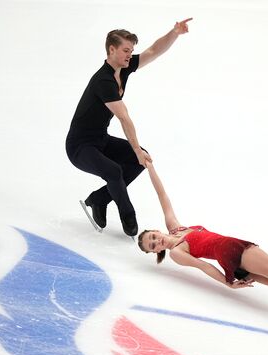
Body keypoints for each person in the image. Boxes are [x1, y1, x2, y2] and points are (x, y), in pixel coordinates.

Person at [137, 162, 268, 334]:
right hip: (230, 248)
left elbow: (162, 195)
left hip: (227, 255)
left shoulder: (176, 228)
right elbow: (203, 267)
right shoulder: (176, 252)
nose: (157, 242)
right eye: (153, 246)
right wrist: (227, 283)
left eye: (153, 237)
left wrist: (150, 168)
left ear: (157, 230)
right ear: (155, 252)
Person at [66, 18, 193, 236]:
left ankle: (99, 199)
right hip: (80, 147)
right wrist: (135, 148)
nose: (129, 54)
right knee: (116, 170)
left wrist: (174, 33)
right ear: (111, 49)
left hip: (100, 140)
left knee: (140, 159)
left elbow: (153, 51)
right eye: (126, 50)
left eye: (131, 50)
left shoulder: (123, 69)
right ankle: (128, 216)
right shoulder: (103, 81)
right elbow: (124, 118)